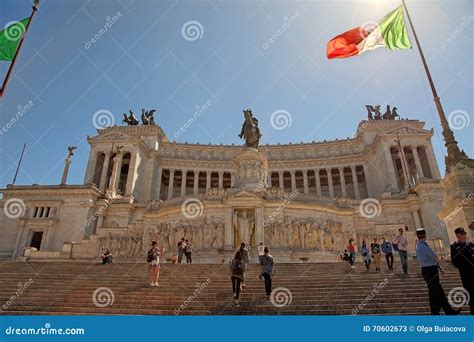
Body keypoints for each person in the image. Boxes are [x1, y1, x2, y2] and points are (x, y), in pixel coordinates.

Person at [415, 228, 459, 315]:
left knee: (439, 291)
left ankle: (448, 311)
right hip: (431, 270)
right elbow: (436, 258)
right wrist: (439, 266)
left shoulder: (418, 246)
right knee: (434, 292)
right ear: (425, 235)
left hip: (426, 270)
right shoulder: (424, 246)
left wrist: (439, 267)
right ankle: (435, 312)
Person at [450, 227, 474, 315]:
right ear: (457, 236)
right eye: (462, 234)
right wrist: (465, 267)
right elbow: (454, 261)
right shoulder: (454, 247)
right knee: (471, 293)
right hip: (466, 274)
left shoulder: (471, 244)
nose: (464, 236)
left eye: (464, 234)